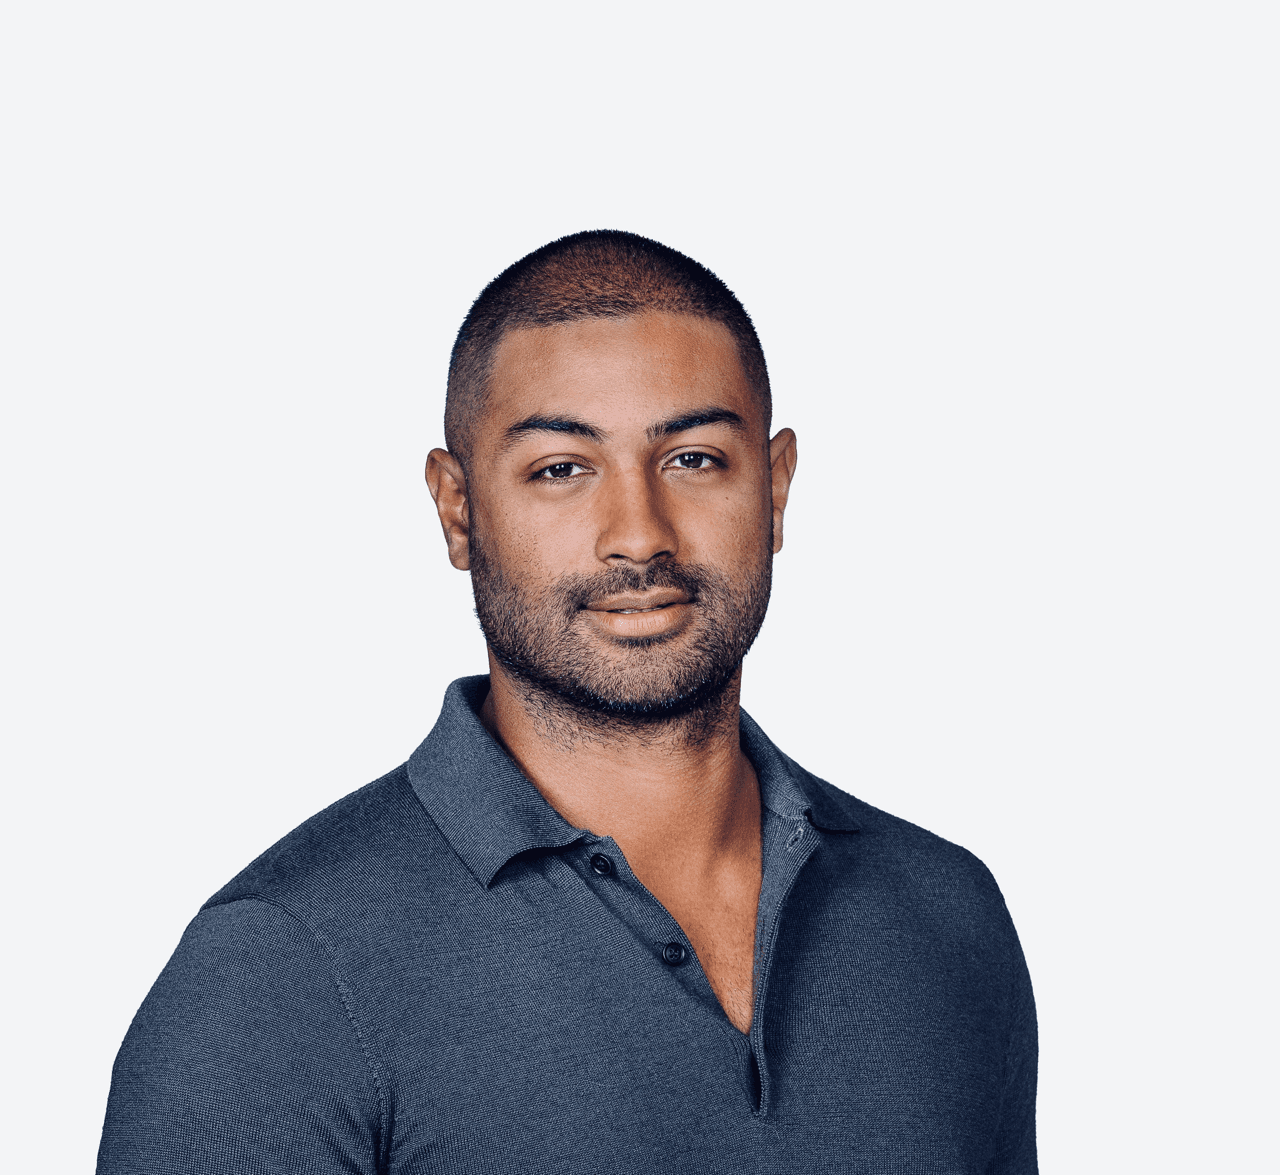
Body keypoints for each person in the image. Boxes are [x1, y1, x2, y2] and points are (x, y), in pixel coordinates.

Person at [97, 230, 1037, 1173]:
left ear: (776, 486)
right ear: (457, 509)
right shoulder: (279, 973)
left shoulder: (947, 916)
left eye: (694, 459)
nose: (639, 534)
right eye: (561, 468)